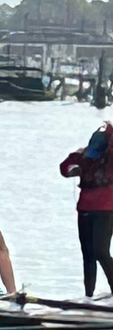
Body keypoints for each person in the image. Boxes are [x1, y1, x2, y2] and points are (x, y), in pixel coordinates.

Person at [60, 124, 113, 299]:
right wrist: (75, 158)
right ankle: (88, 295)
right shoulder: (85, 157)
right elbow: (65, 168)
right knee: (88, 253)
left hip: (106, 209)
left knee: (101, 251)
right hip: (84, 208)